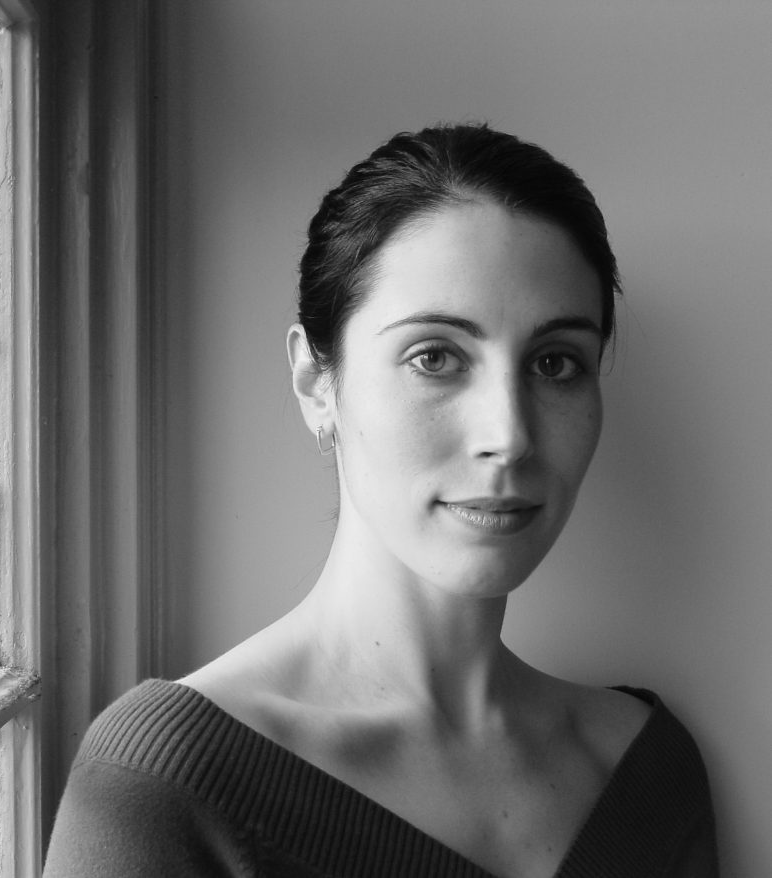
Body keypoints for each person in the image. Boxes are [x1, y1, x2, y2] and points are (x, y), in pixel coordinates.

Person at [43, 123, 718, 877]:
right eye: (434, 357)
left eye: (556, 364)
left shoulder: (645, 771)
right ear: (316, 383)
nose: (509, 437)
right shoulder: (162, 792)